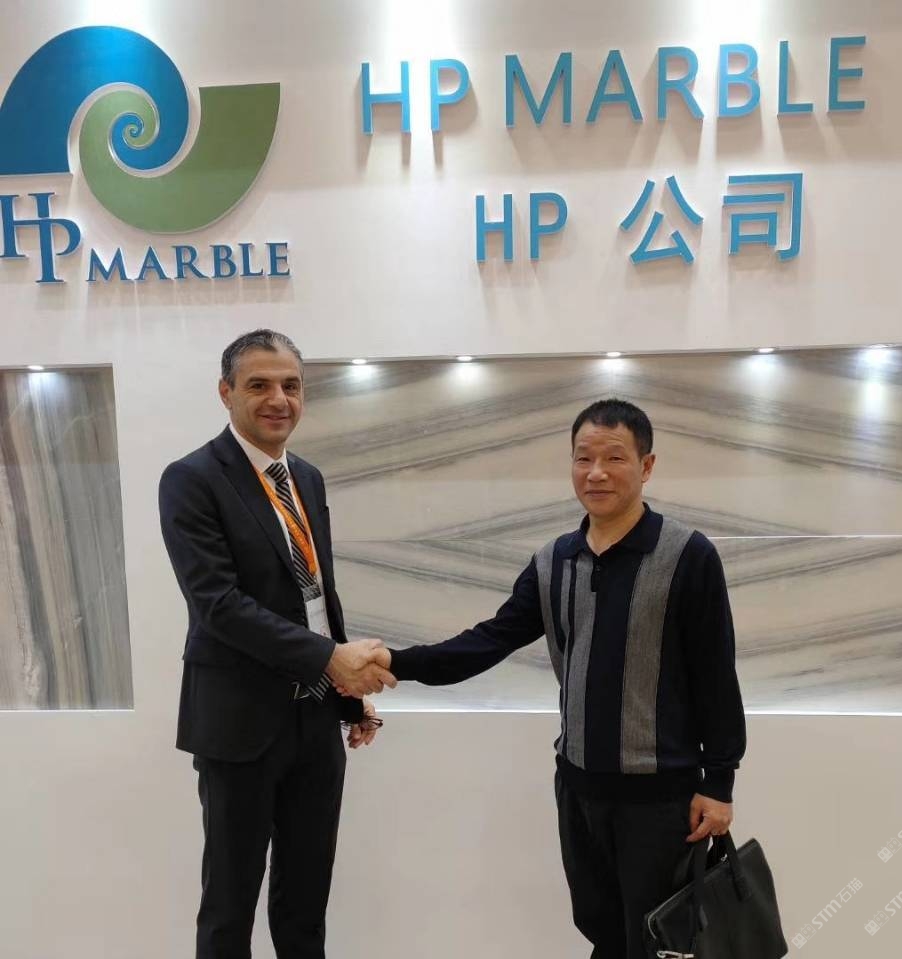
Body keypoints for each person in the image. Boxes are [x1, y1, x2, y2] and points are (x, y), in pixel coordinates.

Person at [381, 398, 746, 959]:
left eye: (614, 458)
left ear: (647, 466)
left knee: (656, 941)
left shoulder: (688, 556)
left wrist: (719, 783)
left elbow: (716, 675)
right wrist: (394, 663)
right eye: (583, 458)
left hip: (660, 799)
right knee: (602, 931)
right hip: (578, 789)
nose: (596, 473)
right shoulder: (554, 560)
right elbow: (490, 639)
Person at [159, 329, 396, 959]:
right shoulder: (191, 479)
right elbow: (218, 605)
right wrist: (330, 660)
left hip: (314, 721)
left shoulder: (306, 478)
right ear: (226, 392)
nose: (278, 399)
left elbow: (314, 597)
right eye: (259, 385)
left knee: (305, 904)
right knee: (229, 906)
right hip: (238, 727)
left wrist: (345, 692)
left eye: (291, 385)